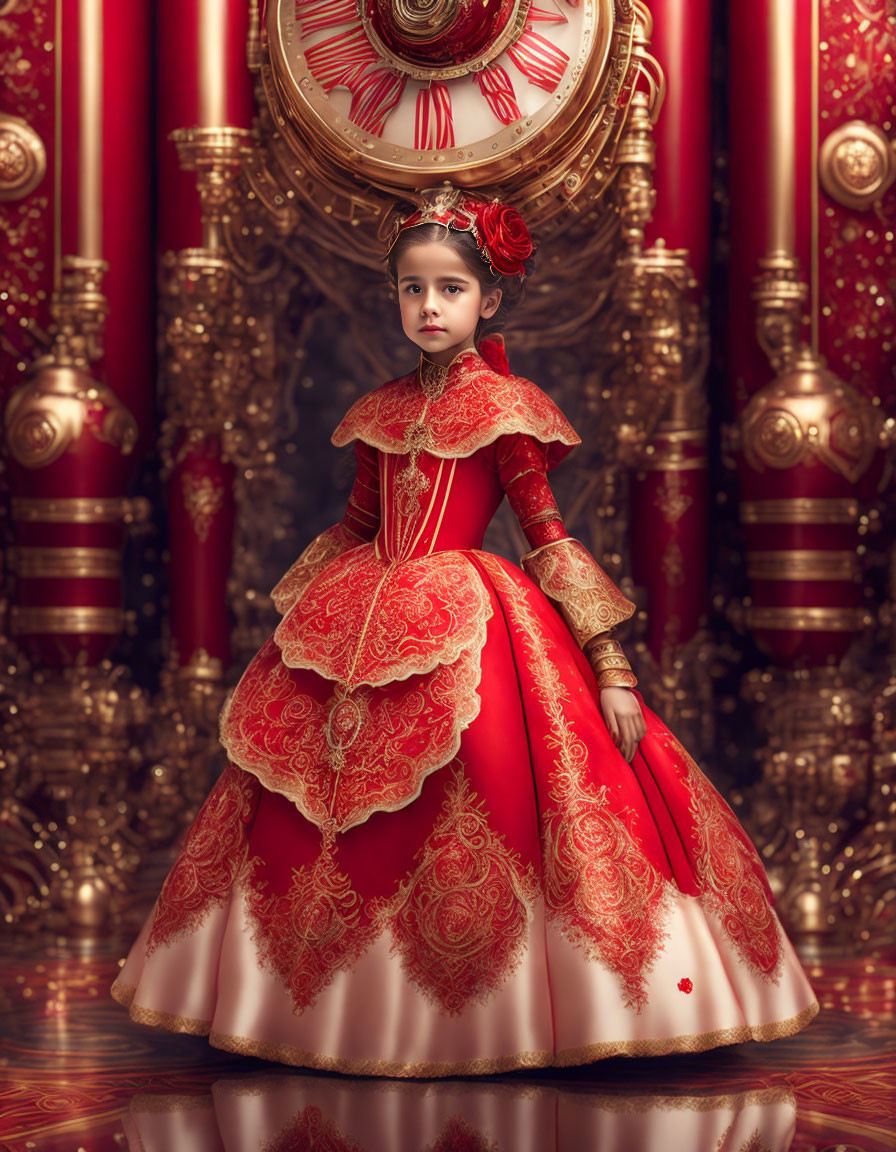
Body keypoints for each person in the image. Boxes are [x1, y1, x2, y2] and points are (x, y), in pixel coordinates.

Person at [112, 189, 818, 1076]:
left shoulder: (505, 407)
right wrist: (302, 616)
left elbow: (546, 534)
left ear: (487, 300)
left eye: (449, 289)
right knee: (310, 803)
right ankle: (327, 1002)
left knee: (495, 788)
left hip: (474, 617)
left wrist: (609, 664)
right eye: (413, 289)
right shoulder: (378, 410)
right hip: (364, 608)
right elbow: (357, 524)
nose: (429, 307)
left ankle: (494, 1006)